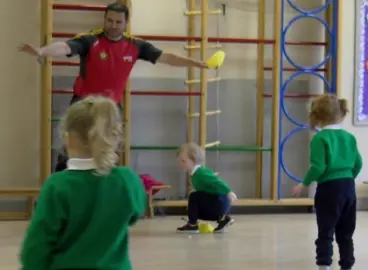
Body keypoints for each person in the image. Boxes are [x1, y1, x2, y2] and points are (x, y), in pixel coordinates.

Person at [18, 1, 210, 172]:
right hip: (83, 104)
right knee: (70, 151)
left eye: (118, 22)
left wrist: (194, 63)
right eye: (109, 21)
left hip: (111, 107)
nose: (113, 25)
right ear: (104, 19)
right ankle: (60, 187)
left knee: (109, 153)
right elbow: (66, 47)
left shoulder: (135, 46)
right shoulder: (91, 39)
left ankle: (105, 193)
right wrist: (42, 51)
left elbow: (166, 57)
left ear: (126, 23)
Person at [20, 96, 146, 270]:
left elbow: (37, 245)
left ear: (69, 138)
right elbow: (134, 215)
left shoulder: (58, 185)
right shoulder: (127, 179)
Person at [292, 94, 363, 270]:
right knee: (346, 232)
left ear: (315, 117)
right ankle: (347, 264)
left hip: (329, 189)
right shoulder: (349, 137)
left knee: (326, 230)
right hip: (348, 187)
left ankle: (324, 264)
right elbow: (358, 163)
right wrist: (347, 177)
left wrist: (304, 183)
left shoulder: (320, 138)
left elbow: (318, 167)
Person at [176, 142, 237, 233]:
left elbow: (217, 181)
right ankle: (222, 219)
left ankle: (192, 225)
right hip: (218, 204)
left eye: (183, 161)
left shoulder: (200, 173)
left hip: (219, 203)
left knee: (194, 196)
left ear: (193, 160)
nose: (181, 164)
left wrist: (228, 191)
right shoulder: (195, 174)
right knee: (194, 203)